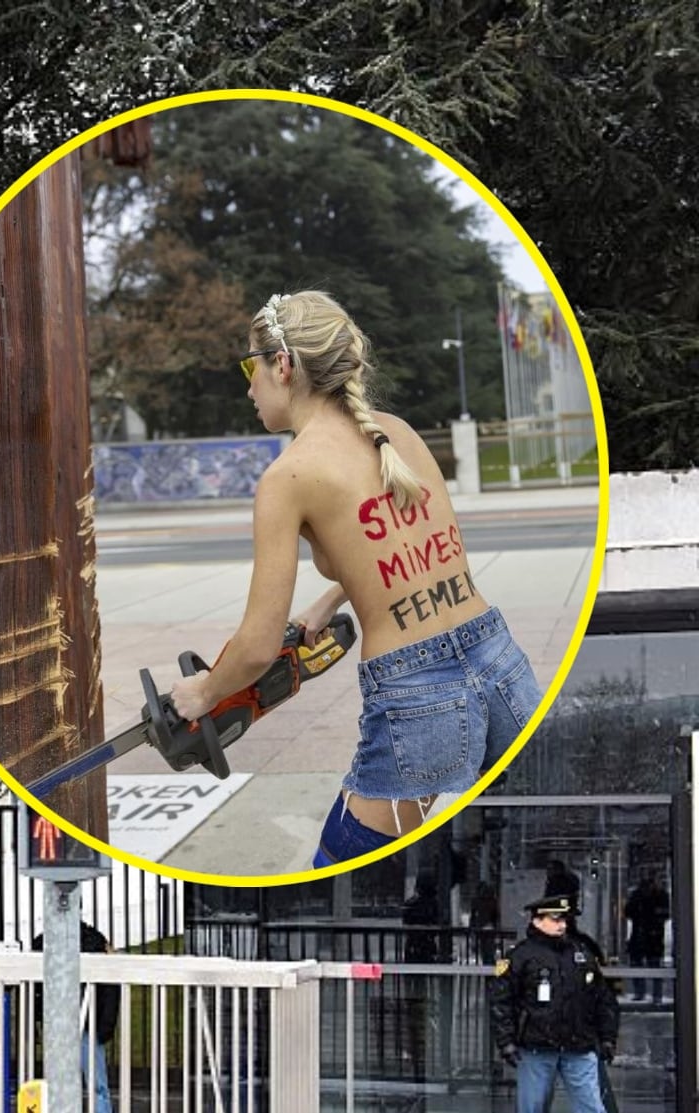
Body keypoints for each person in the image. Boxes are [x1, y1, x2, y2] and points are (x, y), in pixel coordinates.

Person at [166, 292, 541, 868]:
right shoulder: (396, 433)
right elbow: (414, 545)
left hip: (419, 693)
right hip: (501, 662)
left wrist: (204, 692)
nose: (249, 387)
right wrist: (327, 601)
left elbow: (260, 643)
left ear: (283, 366)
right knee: (513, 848)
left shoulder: (288, 476)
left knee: (344, 865)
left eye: (250, 367)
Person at [488, 893, 626, 1113]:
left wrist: (607, 1038)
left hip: (579, 1046)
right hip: (536, 1047)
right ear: (537, 920)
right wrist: (507, 1043)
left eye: (564, 919)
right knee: (531, 1109)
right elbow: (502, 1003)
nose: (562, 924)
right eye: (555, 918)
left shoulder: (581, 952)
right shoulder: (521, 956)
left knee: (592, 1108)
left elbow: (603, 1000)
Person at [31, 921, 124, 1113]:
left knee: (68, 1083)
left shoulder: (47, 940)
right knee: (91, 1084)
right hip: (74, 1022)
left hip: (75, 1022)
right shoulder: (94, 939)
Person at [625, 872, 669, 967]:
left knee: (654, 965)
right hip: (640, 938)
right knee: (638, 967)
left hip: (654, 939)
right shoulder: (637, 896)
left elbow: (665, 914)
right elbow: (628, 912)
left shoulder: (660, 896)